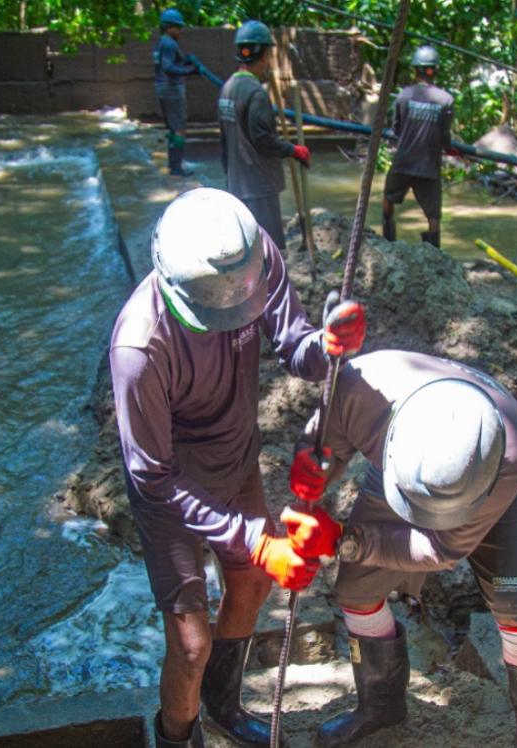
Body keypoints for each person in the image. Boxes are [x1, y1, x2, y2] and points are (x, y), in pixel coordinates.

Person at [110, 188, 366, 748]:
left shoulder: (249, 257)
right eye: (212, 314)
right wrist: (251, 534)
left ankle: (222, 702)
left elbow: (294, 348)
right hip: (172, 487)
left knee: (250, 583)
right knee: (192, 641)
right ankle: (178, 736)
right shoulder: (139, 348)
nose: (228, 319)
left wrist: (327, 345)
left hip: (236, 455)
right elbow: (152, 478)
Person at [285, 349, 517, 748]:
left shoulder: (507, 457)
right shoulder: (361, 390)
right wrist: (311, 478)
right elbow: (326, 444)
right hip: (405, 462)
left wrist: (344, 540)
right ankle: (380, 706)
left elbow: (441, 551)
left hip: (494, 478)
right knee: (356, 590)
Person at [217, 20, 311, 251]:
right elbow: (263, 140)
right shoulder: (255, 93)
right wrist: (293, 150)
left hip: (237, 183)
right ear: (263, 54)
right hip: (258, 185)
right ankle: (271, 286)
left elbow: (223, 140)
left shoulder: (227, 88)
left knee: (246, 246)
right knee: (269, 249)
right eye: (269, 53)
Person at [382, 45, 455, 249]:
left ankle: (388, 241)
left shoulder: (404, 96)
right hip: (429, 165)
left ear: (415, 71)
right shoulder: (446, 100)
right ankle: (434, 252)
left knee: (388, 197)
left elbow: (396, 129)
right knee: (433, 214)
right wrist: (451, 149)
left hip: (403, 161)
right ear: (435, 71)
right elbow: (445, 136)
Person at [152, 8, 204, 177]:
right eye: (178, 27)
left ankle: (173, 164)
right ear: (169, 28)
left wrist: (185, 60)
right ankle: (176, 168)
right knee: (179, 129)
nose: (180, 31)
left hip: (163, 89)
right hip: (171, 89)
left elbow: (168, 63)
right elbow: (168, 67)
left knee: (174, 129)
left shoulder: (161, 43)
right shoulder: (169, 43)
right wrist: (191, 71)